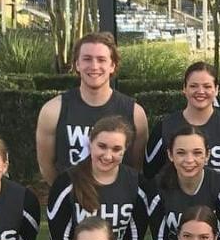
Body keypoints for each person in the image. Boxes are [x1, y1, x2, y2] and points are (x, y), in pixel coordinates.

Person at [35, 31, 148, 185]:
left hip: (119, 203)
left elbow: (136, 165)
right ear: (77, 64)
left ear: (112, 66)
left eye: (101, 60)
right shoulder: (53, 111)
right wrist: (64, 194)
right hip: (72, 201)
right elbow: (46, 165)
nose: (94, 66)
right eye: (87, 59)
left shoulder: (135, 113)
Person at [47, 115, 150, 240]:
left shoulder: (137, 185)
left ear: (126, 148)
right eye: (102, 146)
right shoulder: (66, 182)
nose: (108, 156)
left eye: (116, 149)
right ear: (90, 142)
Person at [144, 61, 220, 181]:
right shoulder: (165, 127)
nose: (200, 91)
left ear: (216, 90)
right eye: (193, 86)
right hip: (174, 198)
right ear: (184, 88)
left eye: (207, 86)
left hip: (218, 199)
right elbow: (149, 174)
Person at [145, 124, 220, 240]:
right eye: (181, 153)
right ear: (170, 155)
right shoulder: (158, 187)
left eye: (197, 153)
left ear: (207, 155)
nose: (189, 160)